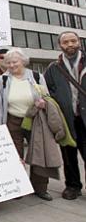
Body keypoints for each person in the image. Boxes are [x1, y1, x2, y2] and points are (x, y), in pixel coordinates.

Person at [0, 48, 55, 201]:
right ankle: (17, 187)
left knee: (39, 154)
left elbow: (47, 97)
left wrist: (44, 103)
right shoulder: (4, 79)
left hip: (35, 119)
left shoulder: (36, 76)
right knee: (14, 154)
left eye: (15, 62)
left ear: (23, 61)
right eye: (9, 63)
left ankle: (40, 188)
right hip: (12, 119)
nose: (12, 65)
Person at [44, 31, 86, 200]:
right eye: (66, 42)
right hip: (66, 118)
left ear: (79, 42)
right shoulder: (54, 68)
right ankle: (73, 186)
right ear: (59, 45)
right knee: (68, 154)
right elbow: (46, 90)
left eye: (73, 41)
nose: (70, 44)